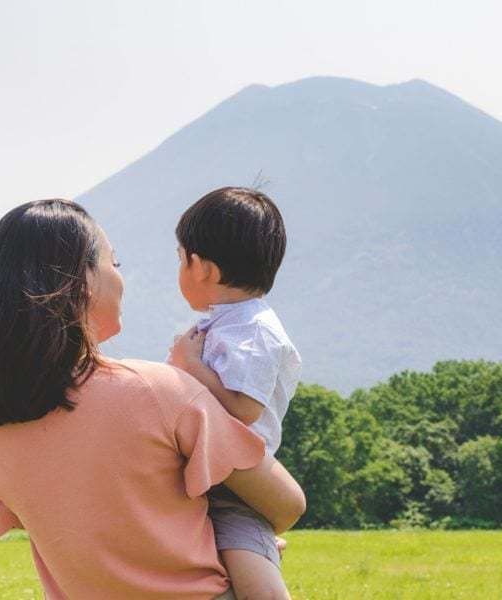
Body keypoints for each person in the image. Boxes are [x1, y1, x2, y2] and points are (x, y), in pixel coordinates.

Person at [0, 198, 306, 600]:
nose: (121, 278)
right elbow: (286, 504)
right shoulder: (159, 391)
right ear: (80, 279)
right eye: (114, 263)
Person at [168, 187, 302, 600]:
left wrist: (190, 366)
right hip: (207, 476)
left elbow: (243, 407)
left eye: (180, 259)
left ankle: (260, 554)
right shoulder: (225, 322)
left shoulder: (253, 329)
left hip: (235, 489)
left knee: (250, 571)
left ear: (202, 267)